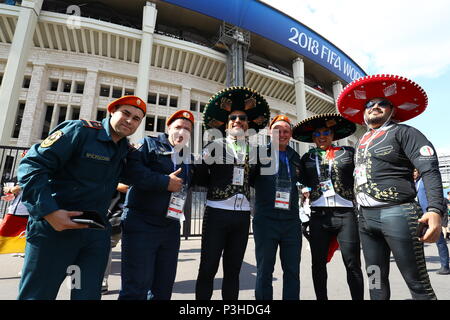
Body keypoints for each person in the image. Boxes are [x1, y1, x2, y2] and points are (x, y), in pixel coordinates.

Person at [17, 95, 146, 300]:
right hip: (55, 228)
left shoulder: (125, 149)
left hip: (94, 232)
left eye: (137, 119)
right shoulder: (80, 131)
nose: (130, 121)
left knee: (88, 295)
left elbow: (142, 175)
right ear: (112, 111)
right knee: (37, 294)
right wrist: (49, 212)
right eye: (126, 113)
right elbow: (31, 166)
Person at [337, 74, 446, 300]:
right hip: (366, 220)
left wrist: (435, 209)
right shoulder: (361, 141)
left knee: (417, 284)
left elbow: (429, 170)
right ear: (363, 112)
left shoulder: (405, 133)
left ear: (392, 110)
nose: (375, 107)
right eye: (369, 104)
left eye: (382, 103)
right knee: (375, 281)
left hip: (398, 214)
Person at [195, 86, 270, 300]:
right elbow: (200, 176)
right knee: (208, 267)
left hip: (242, 217)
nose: (238, 121)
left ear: (248, 125)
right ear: (227, 126)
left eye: (243, 118)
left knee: (233, 270)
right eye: (233, 118)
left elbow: (256, 181)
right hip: (216, 213)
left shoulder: (255, 152)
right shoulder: (214, 145)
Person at [119, 109, 195, 300]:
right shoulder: (148, 144)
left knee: (163, 287)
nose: (182, 132)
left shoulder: (188, 156)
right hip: (142, 223)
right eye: (178, 127)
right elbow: (131, 173)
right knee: (135, 287)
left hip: (170, 226)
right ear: (168, 127)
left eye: (187, 129)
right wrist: (163, 182)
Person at [293, 113, 364, 300]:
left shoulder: (348, 153)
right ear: (312, 138)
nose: (321, 136)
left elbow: (362, 176)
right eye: (317, 134)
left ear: (333, 135)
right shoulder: (307, 157)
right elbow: (298, 180)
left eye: (326, 132)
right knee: (317, 264)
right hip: (319, 216)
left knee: (352, 263)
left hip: (346, 215)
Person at [252, 115, 302, 300]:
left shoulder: (295, 157)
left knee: (292, 271)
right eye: (277, 130)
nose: (281, 134)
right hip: (266, 221)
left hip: (291, 222)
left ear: (290, 134)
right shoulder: (258, 154)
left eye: (286, 131)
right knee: (264, 270)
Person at [414, 169, 449, 275]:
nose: (414, 173)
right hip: (421, 217)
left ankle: (445, 266)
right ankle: (421, 268)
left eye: (415, 171)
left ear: (419, 172)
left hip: (431, 215)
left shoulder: (425, 181)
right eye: (412, 171)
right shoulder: (415, 183)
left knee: (440, 241)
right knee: (419, 242)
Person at [102, 182, 129, 294]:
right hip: (112, 212)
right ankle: (102, 280)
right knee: (105, 246)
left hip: (132, 211)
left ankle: (136, 282)